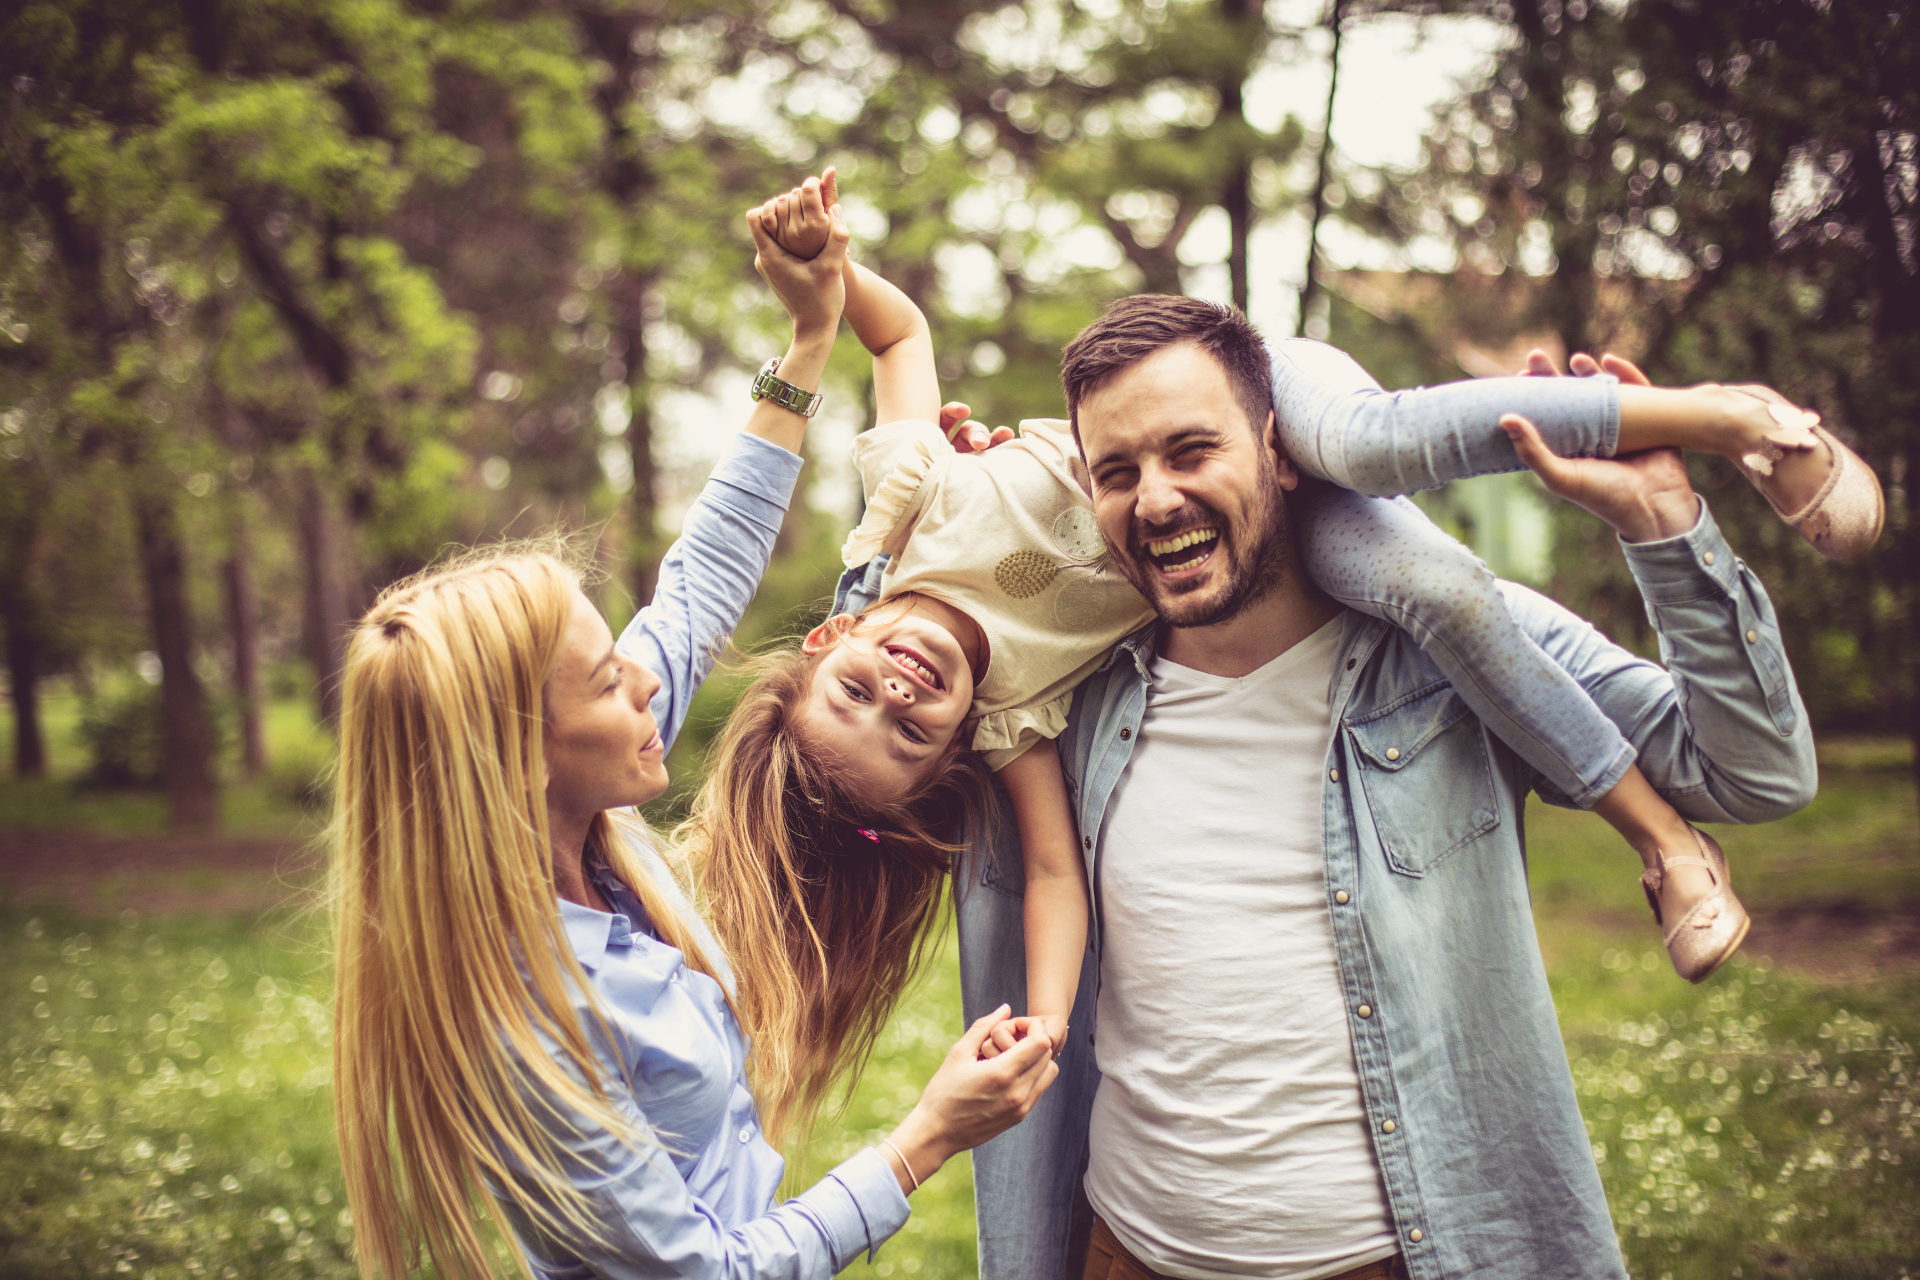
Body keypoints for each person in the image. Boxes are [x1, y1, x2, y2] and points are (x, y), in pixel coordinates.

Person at [724, 169, 1872, 1102]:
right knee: (1437, 585)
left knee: (1370, 444)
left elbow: (899, 335)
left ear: (831, 636)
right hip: (1298, 534)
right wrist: (1054, 1022)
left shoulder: (910, 502)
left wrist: (823, 281)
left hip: (1252, 387)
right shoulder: (1020, 715)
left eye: (856, 694)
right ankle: (1662, 834)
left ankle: (1735, 415)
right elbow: (1050, 872)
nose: (902, 696)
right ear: (949, 754)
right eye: (909, 735)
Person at [884, 297, 1824, 1280]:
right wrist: (962, 533)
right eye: (1118, 471)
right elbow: (869, 711)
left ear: (1278, 452)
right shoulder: (1063, 703)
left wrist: (1665, 529)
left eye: (1192, 450)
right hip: (1126, 1251)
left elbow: (1754, 772)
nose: (1155, 499)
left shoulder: (1461, 653)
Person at [327, 199, 1058, 1280]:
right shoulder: (528, 1022)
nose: (647, 673)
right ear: (521, 757)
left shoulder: (585, 793)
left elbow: (703, 578)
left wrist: (807, 341)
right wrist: (925, 1137)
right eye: (606, 676)